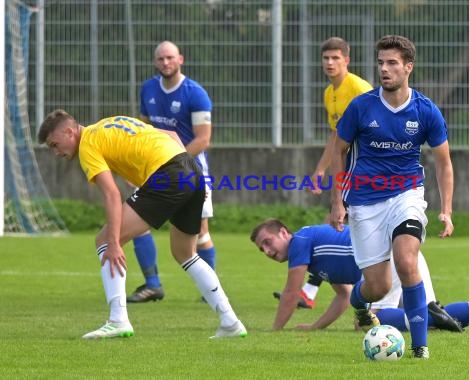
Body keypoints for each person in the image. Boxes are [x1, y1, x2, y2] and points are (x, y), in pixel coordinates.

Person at [38, 110, 247, 340]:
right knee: (185, 253)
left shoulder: (87, 144)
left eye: (55, 145)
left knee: (104, 240)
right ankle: (230, 322)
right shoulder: (111, 123)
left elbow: (112, 195)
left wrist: (114, 242)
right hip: (192, 170)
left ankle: (117, 320)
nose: (56, 152)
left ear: (69, 131)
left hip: (168, 175)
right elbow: (170, 134)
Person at [328, 35, 454, 359]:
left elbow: (443, 162)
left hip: (406, 194)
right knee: (378, 287)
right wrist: (336, 201)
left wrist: (447, 209)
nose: (384, 69)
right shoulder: (362, 107)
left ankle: (420, 347)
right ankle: (358, 304)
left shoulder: (426, 110)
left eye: (392, 63)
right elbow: (337, 151)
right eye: (381, 63)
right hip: (365, 201)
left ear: (408, 67)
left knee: (407, 260)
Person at [251, 219, 469, 333]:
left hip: (391, 262)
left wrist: (274, 332)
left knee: (370, 323)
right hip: (406, 256)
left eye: (268, 241)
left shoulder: (301, 242)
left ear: (284, 233)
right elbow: (344, 296)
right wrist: (314, 327)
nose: (266, 250)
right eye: (260, 248)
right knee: (431, 317)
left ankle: (432, 316)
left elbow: (290, 294)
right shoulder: (316, 255)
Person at [273, 37, 374, 310]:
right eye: (326, 58)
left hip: (367, 171)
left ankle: (367, 294)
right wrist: (320, 169)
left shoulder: (360, 89)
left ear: (346, 60)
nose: (329, 63)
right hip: (351, 169)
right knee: (334, 223)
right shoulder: (329, 93)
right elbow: (336, 137)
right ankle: (324, 291)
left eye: (335, 58)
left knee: (335, 223)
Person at [127, 40, 218, 303]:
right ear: (155, 62)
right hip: (155, 169)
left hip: (190, 170)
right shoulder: (148, 89)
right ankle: (152, 284)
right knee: (136, 223)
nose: (165, 63)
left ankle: (209, 288)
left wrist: (172, 161)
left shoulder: (195, 93)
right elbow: (143, 130)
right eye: (160, 59)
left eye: (170, 58)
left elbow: (203, 139)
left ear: (181, 59)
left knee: (200, 232)